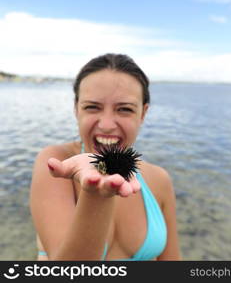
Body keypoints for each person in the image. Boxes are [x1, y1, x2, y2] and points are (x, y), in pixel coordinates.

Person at [29, 53, 181, 260]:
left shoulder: (159, 179)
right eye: (92, 107)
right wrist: (96, 193)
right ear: (76, 109)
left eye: (125, 109)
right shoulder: (56, 165)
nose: (107, 125)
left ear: (143, 114)